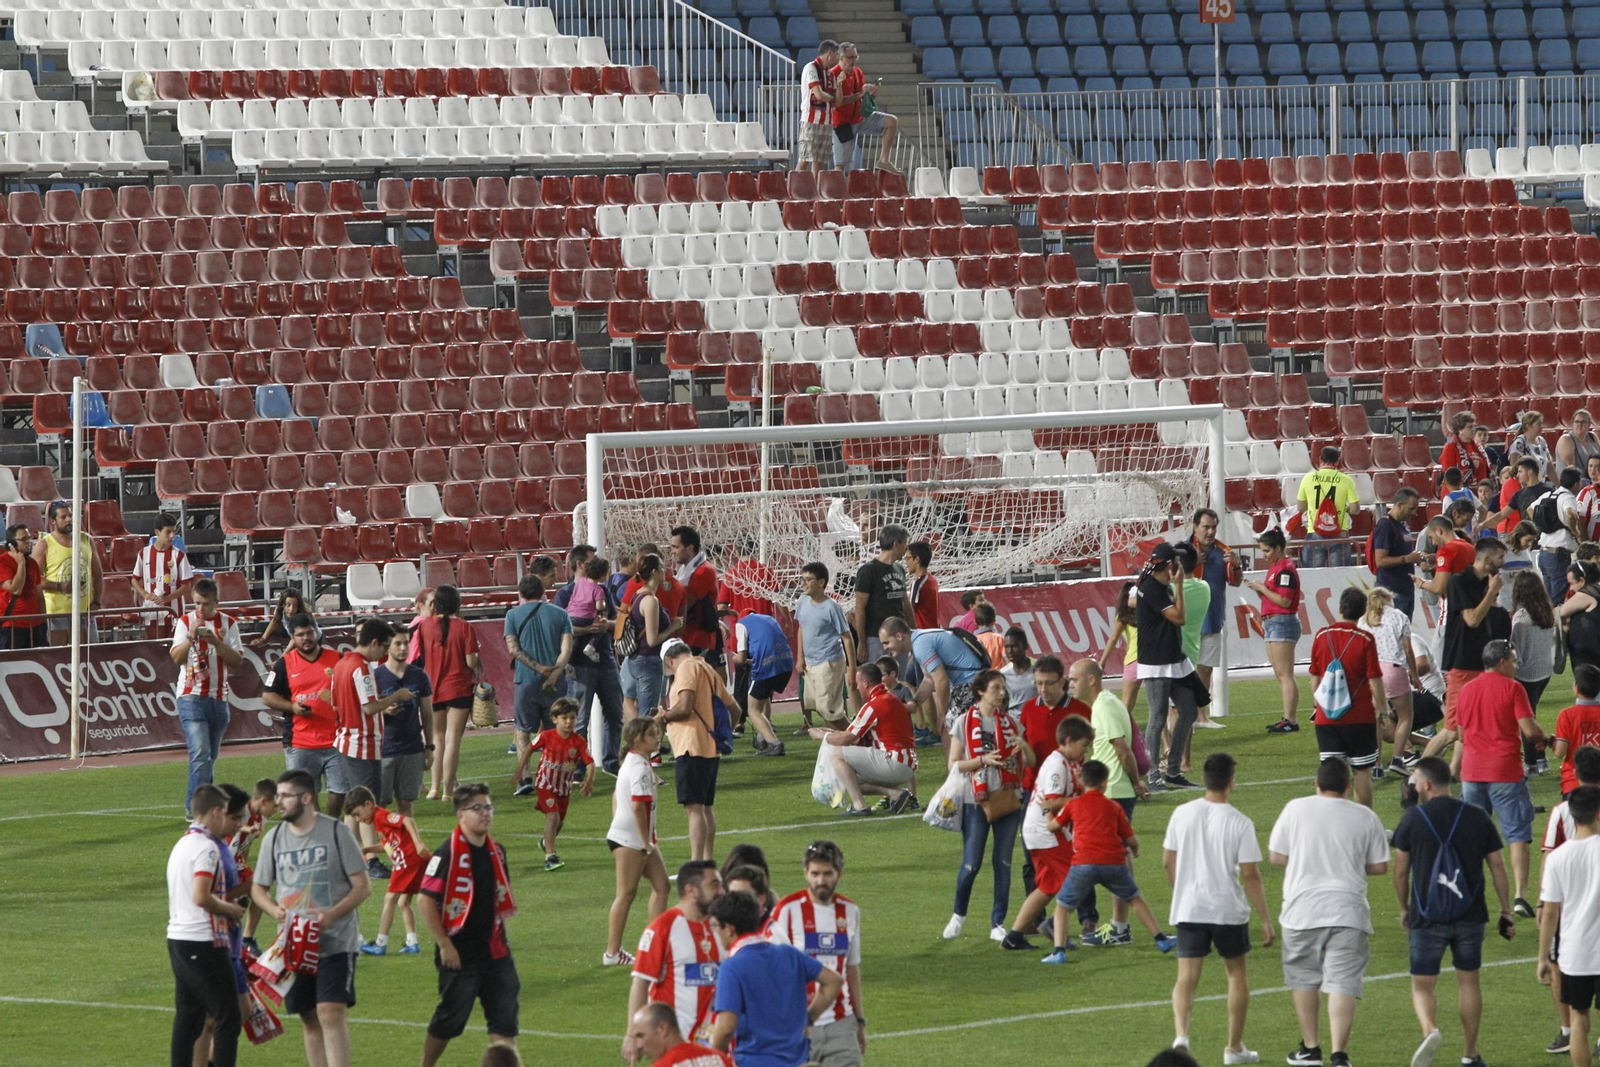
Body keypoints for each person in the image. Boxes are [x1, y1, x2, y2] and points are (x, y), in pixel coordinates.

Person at [1392, 756, 1516, 1067]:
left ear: (1428, 784)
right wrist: (1506, 910)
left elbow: (1400, 871)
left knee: (1422, 983)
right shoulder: (1476, 816)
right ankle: (1470, 1054)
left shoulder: (1413, 818)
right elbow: (1498, 865)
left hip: (1426, 913)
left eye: (1416, 780)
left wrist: (1404, 907)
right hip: (1471, 912)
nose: (1413, 785)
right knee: (1469, 981)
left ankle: (1429, 1029)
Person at [1267, 759, 1391, 1067]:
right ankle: (1339, 1054)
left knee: (1304, 977)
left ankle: (1311, 1047)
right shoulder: (1365, 816)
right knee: (1343, 982)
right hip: (1349, 909)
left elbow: (1276, 856)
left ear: (1316, 784)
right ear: (1349, 786)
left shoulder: (1295, 808)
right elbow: (1379, 866)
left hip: (1302, 909)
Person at [251, 769, 371, 1067]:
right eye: (277, 796)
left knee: (331, 1010)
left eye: (285, 796)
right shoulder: (274, 838)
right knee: (307, 1017)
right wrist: (272, 909)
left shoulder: (335, 832)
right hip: (294, 943)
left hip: (336, 941)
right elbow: (258, 888)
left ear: (306, 798)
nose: (278, 802)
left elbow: (363, 885)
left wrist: (332, 914)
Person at [1163, 753, 1274, 1063]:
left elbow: (1167, 862)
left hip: (1190, 907)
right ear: (1231, 781)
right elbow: (1251, 875)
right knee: (1236, 975)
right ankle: (1234, 1047)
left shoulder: (1181, 814)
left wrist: (1181, 891)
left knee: (1186, 976)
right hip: (1228, 909)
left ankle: (1182, 1035)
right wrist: (1265, 919)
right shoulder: (1240, 822)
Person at [416, 783, 520, 1067]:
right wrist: (445, 945)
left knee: (504, 1021)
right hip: (460, 952)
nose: (486, 813)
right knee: (451, 1018)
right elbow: (425, 901)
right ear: (460, 814)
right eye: (478, 808)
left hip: (496, 950)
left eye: (488, 807)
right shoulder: (446, 854)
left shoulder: (496, 851)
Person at [1046, 759, 1179, 962]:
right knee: (1134, 899)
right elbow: (1130, 838)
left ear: (1081, 780)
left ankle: (1059, 952)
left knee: (1063, 907)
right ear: (1105, 783)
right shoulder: (1113, 806)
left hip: (1084, 863)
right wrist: (1135, 850)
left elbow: (1053, 827)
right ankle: (1161, 939)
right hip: (1113, 863)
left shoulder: (1074, 804)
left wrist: (1047, 811)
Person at [1455, 639, 1548, 916]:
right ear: (1502, 662)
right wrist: (1546, 738)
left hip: (1471, 773)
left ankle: (1469, 894)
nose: (1517, 666)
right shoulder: (1513, 689)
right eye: (1515, 661)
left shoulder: (1466, 690)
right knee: (1517, 834)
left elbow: (1460, 734)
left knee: (1472, 836)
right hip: (1505, 771)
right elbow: (1529, 731)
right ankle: (1520, 896)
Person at [942, 668, 1034, 941]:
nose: (1001, 693)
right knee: (971, 863)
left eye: (1003, 688)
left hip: (1007, 799)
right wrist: (983, 760)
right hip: (975, 800)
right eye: (996, 688)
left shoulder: (1011, 722)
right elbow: (953, 765)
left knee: (1003, 862)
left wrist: (1022, 745)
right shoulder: (964, 722)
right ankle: (958, 915)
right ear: (981, 691)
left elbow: (1029, 760)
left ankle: (997, 923)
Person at [707, 890, 846, 1066]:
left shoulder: (732, 966)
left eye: (715, 926)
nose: (715, 933)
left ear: (729, 929)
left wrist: (712, 1058)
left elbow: (726, 1028)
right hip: (799, 1060)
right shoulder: (789, 954)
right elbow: (834, 981)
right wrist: (808, 1018)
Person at [167, 783, 246, 1067]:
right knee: (228, 1016)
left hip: (177, 938)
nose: (226, 819)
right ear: (213, 812)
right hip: (202, 940)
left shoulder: (181, 845)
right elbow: (201, 896)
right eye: (224, 813)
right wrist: (230, 909)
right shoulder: (206, 849)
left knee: (188, 1017)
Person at [768, 841, 866, 1067]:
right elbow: (773, 972)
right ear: (805, 873)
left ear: (839, 874)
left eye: (827, 874)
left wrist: (860, 1020)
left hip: (841, 1024)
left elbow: (851, 969)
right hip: (798, 1027)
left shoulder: (850, 911)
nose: (820, 880)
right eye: (815, 874)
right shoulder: (786, 911)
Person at [1006, 714, 1093, 952]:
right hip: (1046, 830)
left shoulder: (1071, 761)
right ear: (1068, 740)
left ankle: (1013, 937)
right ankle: (1054, 925)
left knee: (1047, 887)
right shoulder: (1057, 764)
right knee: (1079, 878)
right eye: (1083, 744)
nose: (1086, 750)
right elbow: (1053, 802)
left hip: (1043, 829)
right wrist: (1083, 801)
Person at [623, 860, 725, 1058]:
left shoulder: (722, 926)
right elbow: (641, 983)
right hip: (676, 1045)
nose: (722, 891)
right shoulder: (661, 929)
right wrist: (632, 1035)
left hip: (717, 1044)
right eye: (714, 885)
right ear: (691, 890)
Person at [1427, 537, 1510, 770]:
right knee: (1451, 731)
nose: (1503, 562)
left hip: (1482, 664)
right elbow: (1472, 620)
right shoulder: (1459, 582)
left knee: (1471, 725)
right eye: (1500, 557)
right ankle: (1418, 776)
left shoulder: (1486, 583)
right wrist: (1491, 593)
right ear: (1485, 559)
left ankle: (1454, 772)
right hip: (1462, 663)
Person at [1540, 752, 1600, 1059]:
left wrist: (1541, 956)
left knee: (1579, 1021)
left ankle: (1566, 1034)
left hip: (1575, 948)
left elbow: (1550, 909)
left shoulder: (1559, 855)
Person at [170, 578, 244, 813]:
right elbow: (176, 659)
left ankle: (207, 804)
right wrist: (192, 637)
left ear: (216, 602)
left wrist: (216, 642)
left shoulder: (228, 624)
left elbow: (237, 661)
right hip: (191, 695)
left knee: (209, 757)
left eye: (206, 604)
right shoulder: (185, 622)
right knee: (200, 752)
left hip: (219, 697)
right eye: (197, 603)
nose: (200, 609)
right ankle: (195, 810)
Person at [1308, 588, 1386, 807]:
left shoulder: (1322, 635)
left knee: (1330, 774)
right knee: (1362, 772)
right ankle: (1363, 824)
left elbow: (1314, 675)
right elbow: (1375, 679)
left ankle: (1328, 825)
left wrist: (1317, 704)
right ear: (1363, 612)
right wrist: (1382, 709)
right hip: (1359, 716)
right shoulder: (1365, 639)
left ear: (1340, 608)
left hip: (1327, 717)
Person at [661, 638, 738, 862]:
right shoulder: (707, 668)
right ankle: (707, 860)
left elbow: (684, 708)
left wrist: (663, 716)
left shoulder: (685, 668)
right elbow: (735, 709)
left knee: (694, 808)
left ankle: (697, 862)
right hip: (710, 746)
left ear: (670, 659)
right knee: (705, 807)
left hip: (690, 746)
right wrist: (722, 734)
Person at [1137, 542, 1203, 789]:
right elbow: (1180, 618)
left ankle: (1173, 770)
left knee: (1188, 709)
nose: (1180, 565)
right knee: (1157, 718)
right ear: (1168, 566)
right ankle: (1154, 775)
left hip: (1173, 658)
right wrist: (1179, 586)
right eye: (1176, 562)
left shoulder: (1154, 586)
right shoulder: (1154, 588)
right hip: (1157, 662)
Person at [262, 614, 344, 811]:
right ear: (292, 637)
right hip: (301, 742)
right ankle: (316, 827)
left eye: (309, 633)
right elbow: (267, 696)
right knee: (305, 795)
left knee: (341, 791)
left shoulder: (337, 659)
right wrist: (292, 707)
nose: (306, 638)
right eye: (300, 635)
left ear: (317, 632)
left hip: (337, 740)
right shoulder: (284, 664)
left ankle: (330, 823)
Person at [811, 662, 917, 816]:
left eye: (857, 683)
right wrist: (832, 733)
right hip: (907, 766)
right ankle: (896, 794)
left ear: (865, 683)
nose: (856, 687)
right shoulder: (892, 700)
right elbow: (852, 736)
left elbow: (847, 739)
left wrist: (822, 736)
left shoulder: (874, 705)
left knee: (835, 753)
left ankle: (859, 806)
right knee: (848, 776)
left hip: (894, 763)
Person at [606, 716, 670, 968]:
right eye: (653, 734)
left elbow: (616, 797)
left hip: (633, 838)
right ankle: (612, 952)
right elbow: (637, 807)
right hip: (632, 840)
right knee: (626, 894)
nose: (658, 737)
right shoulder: (640, 767)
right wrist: (645, 842)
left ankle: (655, 944)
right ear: (637, 739)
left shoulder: (634, 762)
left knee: (662, 885)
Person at [504, 574, 573, 796]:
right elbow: (566, 649)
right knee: (556, 730)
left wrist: (536, 667)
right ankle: (555, 778)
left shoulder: (512, 615)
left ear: (521, 594)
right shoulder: (561, 614)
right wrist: (554, 674)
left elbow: (513, 649)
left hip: (525, 681)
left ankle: (525, 778)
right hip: (555, 682)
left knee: (522, 730)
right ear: (543, 592)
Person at [509, 697, 593, 871]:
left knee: (559, 822)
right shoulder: (546, 736)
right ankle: (550, 857)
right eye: (564, 718)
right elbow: (529, 749)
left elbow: (590, 762)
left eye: (572, 717)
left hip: (564, 788)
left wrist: (589, 779)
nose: (569, 722)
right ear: (555, 719)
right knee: (553, 816)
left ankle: (546, 842)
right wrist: (520, 771)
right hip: (545, 784)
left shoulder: (578, 741)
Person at [346, 784, 429, 957]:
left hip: (407, 861)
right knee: (402, 902)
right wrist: (367, 850)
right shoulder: (377, 821)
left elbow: (407, 820)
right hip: (411, 860)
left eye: (358, 814)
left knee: (389, 898)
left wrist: (418, 842)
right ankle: (412, 943)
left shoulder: (381, 815)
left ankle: (380, 944)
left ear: (368, 804)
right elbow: (389, 845)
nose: (358, 819)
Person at [415, 586, 481, 800]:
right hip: (458, 687)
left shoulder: (424, 625)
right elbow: (471, 661)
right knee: (453, 739)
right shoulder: (464, 627)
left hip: (432, 688)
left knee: (437, 739)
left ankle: (434, 788)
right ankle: (447, 790)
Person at [877, 617, 987, 732]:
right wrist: (914, 703)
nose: (885, 647)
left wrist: (941, 715)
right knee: (950, 731)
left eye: (886, 642)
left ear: (899, 636)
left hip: (971, 683)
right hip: (972, 681)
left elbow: (941, 681)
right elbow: (929, 680)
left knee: (948, 729)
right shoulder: (918, 640)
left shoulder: (920, 645)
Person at [1360, 586, 1422, 775]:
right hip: (1394, 669)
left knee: (1378, 719)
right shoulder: (1399, 616)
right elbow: (1408, 649)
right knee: (1405, 717)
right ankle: (1398, 758)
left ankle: (1376, 765)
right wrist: (1414, 673)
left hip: (1372, 673)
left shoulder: (1364, 621)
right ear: (1388, 598)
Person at [1246, 529, 1302, 734]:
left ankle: (1291, 719)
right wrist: (1261, 590)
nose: (1264, 555)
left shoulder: (1285, 569)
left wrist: (1261, 589)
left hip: (1282, 622)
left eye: (1267, 550)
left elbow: (1285, 601)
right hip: (1272, 622)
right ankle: (1287, 718)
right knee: (1281, 674)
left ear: (1278, 548)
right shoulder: (1275, 567)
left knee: (1285, 674)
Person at [373, 628, 433, 819]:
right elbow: (365, 710)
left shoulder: (419, 676)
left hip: (412, 747)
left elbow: (427, 713)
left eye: (406, 643)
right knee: (380, 803)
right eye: (398, 643)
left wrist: (429, 746)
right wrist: (384, 709)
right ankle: (380, 844)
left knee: (406, 802)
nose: (403, 648)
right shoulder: (376, 676)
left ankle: (407, 845)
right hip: (384, 748)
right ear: (387, 646)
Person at [795, 561, 856, 734]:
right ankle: (839, 743)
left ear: (821, 582)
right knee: (821, 708)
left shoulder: (831, 607)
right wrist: (800, 657)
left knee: (828, 709)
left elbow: (847, 637)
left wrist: (852, 669)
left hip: (829, 662)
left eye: (808, 579)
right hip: (810, 662)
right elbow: (801, 628)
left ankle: (856, 737)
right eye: (802, 579)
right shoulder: (802, 601)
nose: (804, 583)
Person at [33, 500, 103, 646]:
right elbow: (34, 579)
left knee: (91, 654)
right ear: (53, 521)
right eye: (63, 517)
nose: (69, 520)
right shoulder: (45, 544)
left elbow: (97, 574)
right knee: (59, 656)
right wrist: (59, 586)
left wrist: (96, 601)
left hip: (85, 611)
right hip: (57, 613)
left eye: (70, 516)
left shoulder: (86, 539)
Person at [1512, 570, 1560, 772]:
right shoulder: (1547, 613)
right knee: (1530, 715)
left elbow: (1517, 651)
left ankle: (1532, 762)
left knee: (1525, 719)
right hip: (1544, 670)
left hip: (1527, 674)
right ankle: (1539, 758)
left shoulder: (1521, 618)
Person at [620, 553, 677, 724]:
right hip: (648, 660)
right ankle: (644, 746)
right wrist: (673, 627)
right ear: (654, 571)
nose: (664, 570)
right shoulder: (650, 601)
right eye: (661, 566)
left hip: (635, 659)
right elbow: (652, 640)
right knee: (648, 714)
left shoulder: (637, 594)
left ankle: (636, 741)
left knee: (631, 702)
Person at [828, 42, 899, 175]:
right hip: (842, 123)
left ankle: (884, 159)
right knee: (840, 165)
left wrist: (872, 95)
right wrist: (859, 94)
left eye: (855, 57)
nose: (853, 61)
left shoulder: (857, 72)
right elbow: (838, 102)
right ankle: (838, 192)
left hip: (859, 117)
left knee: (891, 121)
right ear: (841, 58)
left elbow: (862, 98)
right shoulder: (833, 75)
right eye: (850, 57)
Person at [854, 523, 915, 669]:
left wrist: (913, 632)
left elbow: (905, 604)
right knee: (878, 680)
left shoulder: (899, 569)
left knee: (900, 680)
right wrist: (862, 642)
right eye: (905, 543)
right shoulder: (868, 571)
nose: (906, 548)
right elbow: (859, 608)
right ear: (896, 544)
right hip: (876, 638)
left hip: (900, 636)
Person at [733, 611, 791, 756]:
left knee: (752, 708)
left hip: (766, 665)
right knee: (764, 697)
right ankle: (762, 737)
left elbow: (740, 658)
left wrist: (731, 657)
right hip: (786, 662)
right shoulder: (769, 619)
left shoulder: (741, 623)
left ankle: (774, 743)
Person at [132, 512, 195, 636]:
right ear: (157, 532)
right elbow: (134, 579)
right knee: (155, 650)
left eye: (174, 532)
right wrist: (145, 594)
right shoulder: (143, 553)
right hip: (152, 613)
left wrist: (167, 599)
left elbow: (187, 585)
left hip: (175, 613)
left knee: (174, 650)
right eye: (168, 532)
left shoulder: (179, 555)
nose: (172, 536)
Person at [1298, 446, 1359, 568]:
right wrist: (1345, 508)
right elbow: (1355, 509)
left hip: (1314, 531)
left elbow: (1301, 507)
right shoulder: (1346, 480)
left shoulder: (1307, 479)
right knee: (1340, 576)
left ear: (1320, 459)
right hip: (1339, 533)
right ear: (1337, 461)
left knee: (1312, 575)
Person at [671, 526, 722, 667]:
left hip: (698, 639)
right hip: (688, 637)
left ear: (690, 548)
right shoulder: (684, 571)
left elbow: (685, 604)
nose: (672, 551)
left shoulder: (703, 571)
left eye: (676, 547)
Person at [1372, 489, 1424, 620]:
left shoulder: (1403, 524)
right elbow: (1380, 561)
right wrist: (1407, 559)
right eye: (1411, 508)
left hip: (1405, 589)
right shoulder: (1386, 526)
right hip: (1391, 592)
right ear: (1400, 505)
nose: (1415, 513)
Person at [1537, 466, 1585, 606]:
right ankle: (1558, 627)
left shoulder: (1549, 495)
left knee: (1548, 600)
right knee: (1559, 600)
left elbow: (1531, 509)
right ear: (1576, 484)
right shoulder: (1568, 497)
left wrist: (1546, 526)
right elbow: (1570, 514)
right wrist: (1574, 530)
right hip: (1558, 555)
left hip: (1544, 553)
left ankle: (1550, 626)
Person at [1099, 580, 1142, 718]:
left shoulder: (1123, 615)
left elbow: (1113, 638)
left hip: (1134, 659)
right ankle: (1164, 740)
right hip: (1151, 658)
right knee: (1157, 706)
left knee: (1126, 705)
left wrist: (1103, 661)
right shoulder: (1147, 611)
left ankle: (1122, 735)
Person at [796, 39, 840, 175]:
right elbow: (819, 94)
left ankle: (815, 191)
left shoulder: (830, 74)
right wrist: (831, 98)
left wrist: (840, 85)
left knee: (819, 162)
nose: (838, 58)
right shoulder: (811, 68)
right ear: (829, 53)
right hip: (811, 121)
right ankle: (793, 190)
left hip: (827, 121)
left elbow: (836, 99)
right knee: (804, 159)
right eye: (837, 54)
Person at [1554, 666, 1600, 795]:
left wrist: (1552, 743)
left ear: (1577, 688)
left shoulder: (1567, 715)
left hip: (1574, 783)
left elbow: (1560, 752)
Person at [0, 523, 45, 649]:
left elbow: (39, 595)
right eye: (23, 539)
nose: (28, 542)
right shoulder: (2, 563)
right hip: (12, 626)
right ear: (11, 544)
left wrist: (43, 620)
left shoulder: (32, 563)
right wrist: (20, 564)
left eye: (29, 538)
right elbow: (15, 589)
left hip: (35, 625)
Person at [1564, 562, 1600, 677]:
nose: (1571, 588)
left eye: (1572, 583)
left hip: (1589, 653)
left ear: (1582, 580)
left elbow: (1560, 613)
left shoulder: (1588, 593)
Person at [1440, 411, 1492, 486]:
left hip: (1478, 493)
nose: (1473, 429)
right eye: (1470, 427)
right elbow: (1449, 476)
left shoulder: (1478, 447)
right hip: (1458, 494)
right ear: (1460, 430)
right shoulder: (1450, 447)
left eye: (1474, 426)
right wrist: (1472, 468)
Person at [998, 626, 1036, 712]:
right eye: (1007, 647)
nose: (1009, 651)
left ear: (1025, 646)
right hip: (1014, 722)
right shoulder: (1003, 674)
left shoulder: (1040, 668)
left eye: (1014, 646)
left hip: (1035, 720)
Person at [905, 540, 941, 630]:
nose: (906, 563)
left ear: (917, 559)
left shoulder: (918, 583)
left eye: (908, 558)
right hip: (934, 629)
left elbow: (909, 609)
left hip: (923, 632)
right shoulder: (932, 580)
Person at [1510, 410, 1556, 479]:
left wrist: (1559, 486)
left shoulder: (1542, 441)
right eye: (1538, 424)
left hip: (1540, 484)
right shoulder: (1519, 443)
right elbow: (1514, 468)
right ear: (1528, 426)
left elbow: (1549, 466)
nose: (1541, 427)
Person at [1559, 409, 1600, 475]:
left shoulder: (1592, 436)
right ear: (1573, 423)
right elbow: (1570, 467)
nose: (1580, 424)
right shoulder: (1566, 439)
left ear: (1589, 424)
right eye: (1577, 421)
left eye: (1583, 422)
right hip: (1574, 481)